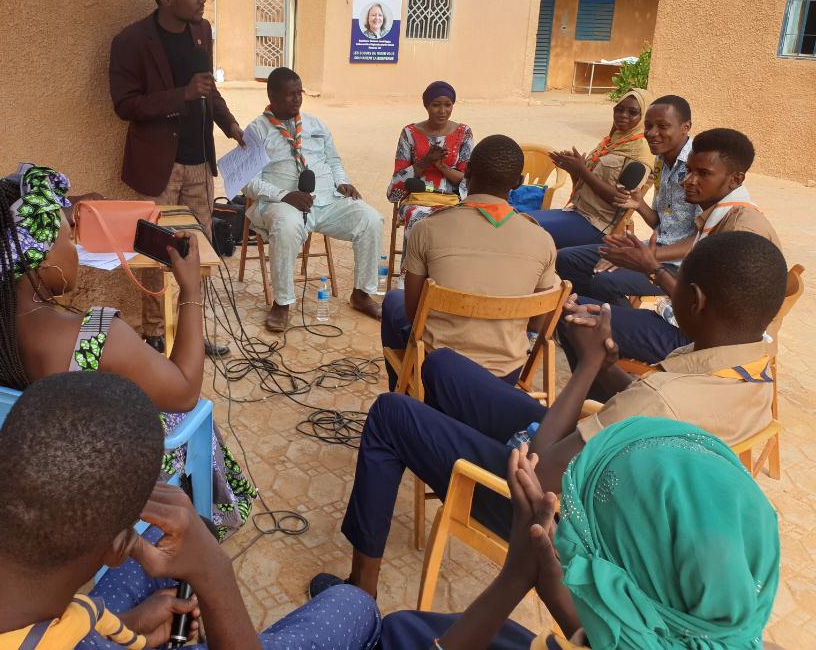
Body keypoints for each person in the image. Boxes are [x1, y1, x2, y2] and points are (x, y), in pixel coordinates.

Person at [313, 230, 786, 599]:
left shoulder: (663, 398)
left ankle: (363, 585)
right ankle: (446, 456)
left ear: (697, 301)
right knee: (441, 366)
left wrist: (589, 364)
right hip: (592, 460)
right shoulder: (752, 368)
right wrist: (611, 360)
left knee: (391, 412)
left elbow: (539, 470)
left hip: (550, 509)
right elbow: (645, 403)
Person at [0, 372, 383, 650]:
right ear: (115, 542)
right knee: (352, 606)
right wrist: (214, 573)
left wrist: (124, 629)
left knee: (150, 592)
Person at [0, 168, 256, 537]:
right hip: (91, 482)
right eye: (68, 239)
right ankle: (209, 518)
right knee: (190, 418)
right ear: (40, 256)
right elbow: (184, 393)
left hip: (20, 469)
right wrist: (191, 291)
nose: (75, 251)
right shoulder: (97, 339)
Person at [378, 419, 780, 649]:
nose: (573, 540)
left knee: (399, 630)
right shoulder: (729, 630)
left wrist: (516, 576)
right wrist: (550, 581)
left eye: (590, 546)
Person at [110, 0, 245, 357]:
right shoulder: (131, 42)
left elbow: (208, 90)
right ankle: (154, 333)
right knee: (157, 251)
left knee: (196, 253)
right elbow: (125, 105)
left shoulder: (201, 31)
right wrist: (181, 96)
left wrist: (231, 127)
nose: (201, 0)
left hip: (199, 163)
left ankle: (190, 333)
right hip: (159, 167)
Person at [562, 127, 781, 368]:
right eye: (689, 171)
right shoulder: (719, 213)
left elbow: (716, 317)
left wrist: (652, 268)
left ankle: (616, 398)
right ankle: (615, 389)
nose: (689, 181)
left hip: (707, 347)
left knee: (573, 317)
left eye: (703, 174)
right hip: (688, 325)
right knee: (576, 305)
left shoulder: (743, 231)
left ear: (736, 179)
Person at [380, 135, 558, 390]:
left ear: (467, 172)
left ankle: (406, 391)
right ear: (518, 183)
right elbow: (538, 324)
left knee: (393, 300)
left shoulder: (427, 228)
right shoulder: (542, 240)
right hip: (505, 374)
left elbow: (414, 311)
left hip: (438, 369)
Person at [243, 67, 384, 332]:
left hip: (328, 200)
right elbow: (247, 181)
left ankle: (362, 294)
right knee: (286, 228)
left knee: (371, 220)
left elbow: (333, 160)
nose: (297, 99)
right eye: (289, 95)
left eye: (300, 93)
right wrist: (284, 195)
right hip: (282, 204)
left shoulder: (316, 124)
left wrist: (342, 181)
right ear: (271, 95)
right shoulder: (256, 131)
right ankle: (282, 303)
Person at [555, 94, 700, 304]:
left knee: (604, 282)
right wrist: (639, 204)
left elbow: (701, 241)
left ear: (685, 127)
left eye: (662, 126)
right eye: (648, 126)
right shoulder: (661, 159)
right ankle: (590, 320)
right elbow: (662, 223)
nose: (651, 133)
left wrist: (642, 256)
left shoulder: (697, 168)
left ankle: (618, 327)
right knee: (567, 259)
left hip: (680, 266)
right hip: (654, 247)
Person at [525, 89, 655, 249]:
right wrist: (574, 170)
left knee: (525, 229)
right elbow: (582, 190)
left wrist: (582, 171)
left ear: (644, 117)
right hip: (577, 213)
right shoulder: (612, 141)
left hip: (598, 225)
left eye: (632, 112)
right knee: (519, 219)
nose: (623, 115)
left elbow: (621, 200)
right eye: (619, 110)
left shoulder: (640, 151)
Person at [386, 81, 474, 241]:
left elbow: (466, 179)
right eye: (436, 105)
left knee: (457, 225)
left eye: (448, 105)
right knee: (418, 221)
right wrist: (424, 162)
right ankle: (415, 266)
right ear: (426, 106)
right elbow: (397, 182)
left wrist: (440, 166)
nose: (442, 111)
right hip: (416, 200)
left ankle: (442, 266)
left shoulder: (464, 133)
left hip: (452, 201)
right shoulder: (409, 133)